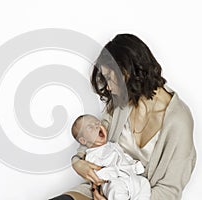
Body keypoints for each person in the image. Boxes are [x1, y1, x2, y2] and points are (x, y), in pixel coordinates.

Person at [50, 34, 196, 200]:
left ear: (127, 73)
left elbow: (169, 191)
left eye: (110, 79)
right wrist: (78, 162)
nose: (109, 88)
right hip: (99, 189)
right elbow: (92, 136)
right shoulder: (122, 103)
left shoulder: (179, 121)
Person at [71, 114, 151, 200]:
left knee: (144, 183)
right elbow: (96, 174)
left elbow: (123, 157)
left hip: (130, 177)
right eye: (90, 127)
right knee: (116, 190)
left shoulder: (113, 145)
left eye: (97, 123)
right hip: (113, 181)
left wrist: (134, 165)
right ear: (83, 140)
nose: (97, 126)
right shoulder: (91, 156)